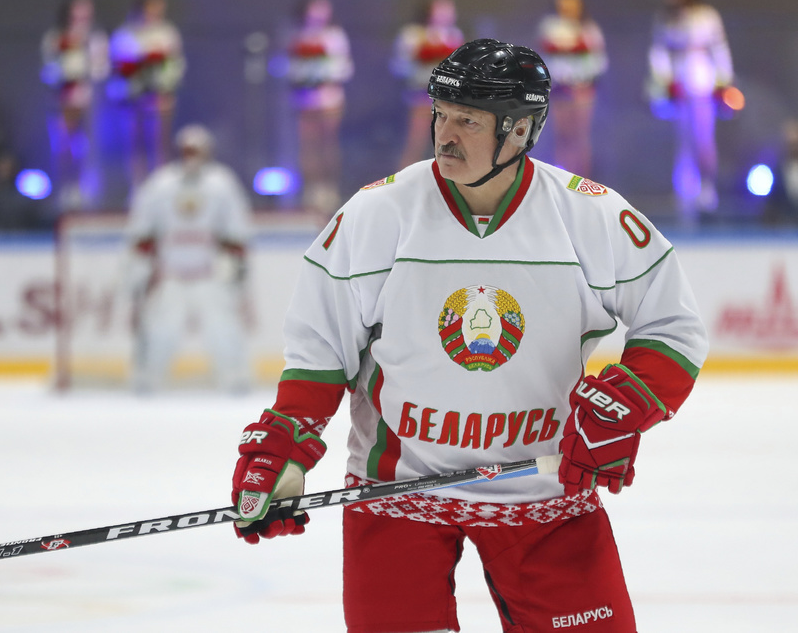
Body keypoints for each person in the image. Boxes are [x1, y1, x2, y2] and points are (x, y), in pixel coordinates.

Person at [229, 39, 708, 632]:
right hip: (395, 494)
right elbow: (320, 350)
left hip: (545, 494)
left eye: (468, 120)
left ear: (522, 129)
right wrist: (285, 445)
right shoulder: (378, 214)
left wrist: (625, 406)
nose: (445, 133)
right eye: (441, 114)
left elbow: (673, 326)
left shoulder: (590, 216)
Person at [125, 124, 252, 394]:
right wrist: (140, 267)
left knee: (224, 330)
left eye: (197, 150)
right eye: (187, 150)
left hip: (209, 274)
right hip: (171, 275)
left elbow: (237, 230)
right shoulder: (160, 184)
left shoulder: (222, 183)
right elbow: (142, 231)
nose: (192, 155)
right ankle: (147, 381)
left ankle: (235, 379)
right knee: (160, 331)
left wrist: (237, 264)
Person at [648, 0, 734, 224]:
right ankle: (685, 193)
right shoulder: (665, 19)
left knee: (703, 138)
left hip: (702, 84)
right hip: (678, 88)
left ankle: (707, 192)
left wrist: (724, 80)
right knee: (683, 141)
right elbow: (658, 51)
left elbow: (719, 48)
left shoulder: (706, 15)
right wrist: (664, 80)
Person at [108, 0, 186, 197]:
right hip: (131, 97)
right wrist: (139, 66)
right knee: (134, 143)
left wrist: (165, 85)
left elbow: (176, 65)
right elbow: (118, 66)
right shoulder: (125, 34)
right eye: (152, 8)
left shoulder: (167, 33)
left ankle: (162, 188)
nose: (156, 13)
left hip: (159, 94)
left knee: (159, 142)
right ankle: (137, 187)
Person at [40, 0, 110, 211]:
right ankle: (65, 188)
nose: (81, 16)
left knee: (85, 145)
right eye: (77, 11)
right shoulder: (55, 37)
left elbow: (102, 68)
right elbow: (48, 68)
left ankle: (85, 189)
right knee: (63, 144)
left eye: (86, 12)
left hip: (88, 98)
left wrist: (84, 73)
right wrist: (64, 74)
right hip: (62, 96)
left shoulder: (95, 38)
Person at [285, 0, 353, 219]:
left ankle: (330, 188)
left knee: (328, 143)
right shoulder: (297, 36)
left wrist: (325, 73)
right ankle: (311, 190)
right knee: (308, 145)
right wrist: (304, 75)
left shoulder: (335, 36)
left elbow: (344, 66)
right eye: (314, 10)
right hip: (305, 97)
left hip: (329, 96)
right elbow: (288, 65)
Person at [537, 0, 607, 177]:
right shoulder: (551, 27)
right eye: (563, 2)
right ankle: (563, 178)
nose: (566, 6)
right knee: (562, 137)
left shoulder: (589, 29)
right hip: (560, 89)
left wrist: (584, 80)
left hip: (582, 90)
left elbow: (599, 62)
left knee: (580, 138)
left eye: (571, 2)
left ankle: (581, 180)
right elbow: (545, 58)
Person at [392, 0, 465, 170]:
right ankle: (406, 180)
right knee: (415, 141)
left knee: (449, 143)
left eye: (449, 10)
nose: (446, 14)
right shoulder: (413, 35)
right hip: (421, 95)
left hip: (448, 99)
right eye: (441, 9)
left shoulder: (454, 35)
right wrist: (422, 58)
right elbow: (399, 65)